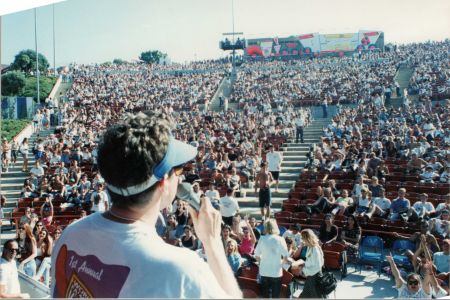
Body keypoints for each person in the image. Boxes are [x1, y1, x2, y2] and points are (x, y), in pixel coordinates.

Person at [51, 112, 241, 298]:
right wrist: (212, 242)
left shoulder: (71, 235)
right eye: (178, 169)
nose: (181, 176)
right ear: (163, 181)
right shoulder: (180, 270)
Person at [254, 219, 290, 298]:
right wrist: (280, 264)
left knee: (265, 296)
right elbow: (286, 257)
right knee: (275, 297)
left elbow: (256, 255)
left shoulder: (262, 239)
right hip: (276, 272)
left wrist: (261, 263)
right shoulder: (280, 239)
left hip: (264, 272)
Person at [299, 229, 325, 298]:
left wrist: (304, 270)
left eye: (302, 238)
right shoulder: (309, 247)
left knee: (315, 296)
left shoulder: (315, 249)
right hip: (310, 276)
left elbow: (318, 266)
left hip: (315, 277)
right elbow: (310, 261)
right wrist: (304, 265)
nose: (302, 240)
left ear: (307, 238)